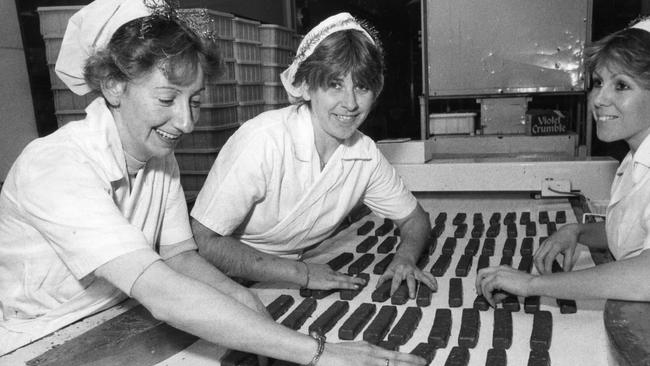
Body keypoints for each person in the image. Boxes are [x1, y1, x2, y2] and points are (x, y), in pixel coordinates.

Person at [0, 0, 426, 366]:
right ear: (113, 85)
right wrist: (319, 354)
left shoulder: (160, 159)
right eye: (167, 98)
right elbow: (162, 291)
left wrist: (242, 299)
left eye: (195, 101)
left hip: (115, 320)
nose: (186, 123)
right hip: (35, 347)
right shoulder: (55, 165)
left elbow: (180, 256)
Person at [190, 13, 437, 300]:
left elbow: (416, 219)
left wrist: (405, 259)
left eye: (362, 86)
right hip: (220, 279)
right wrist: (302, 274)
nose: (351, 103)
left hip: (279, 284)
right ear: (305, 86)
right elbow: (203, 242)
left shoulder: (364, 154)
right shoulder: (264, 140)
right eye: (335, 84)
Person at [476, 18, 650, 306]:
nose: (599, 99)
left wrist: (534, 284)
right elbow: (633, 232)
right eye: (598, 83)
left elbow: (645, 276)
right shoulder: (635, 158)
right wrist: (578, 231)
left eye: (621, 86)